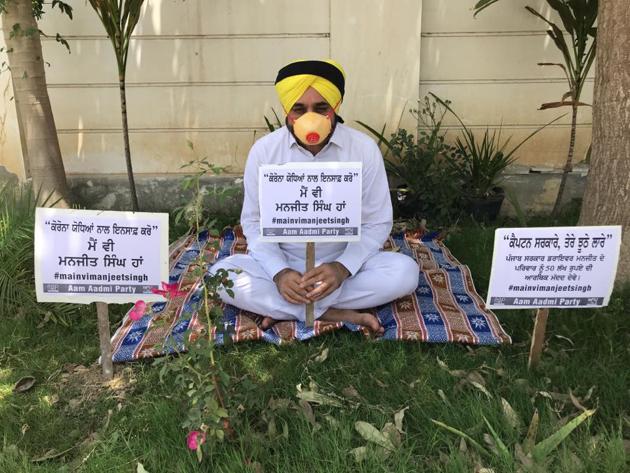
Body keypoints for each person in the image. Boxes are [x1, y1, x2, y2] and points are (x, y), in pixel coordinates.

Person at [210, 59, 419, 335]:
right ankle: (335, 312)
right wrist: (280, 273)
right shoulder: (264, 152)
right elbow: (253, 223)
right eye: (299, 109)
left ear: (335, 108)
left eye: (321, 108)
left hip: (343, 264)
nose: (311, 118)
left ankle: (287, 309)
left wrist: (342, 268)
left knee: (405, 273)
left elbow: (378, 222)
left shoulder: (363, 149)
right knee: (219, 277)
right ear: (286, 110)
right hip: (284, 263)